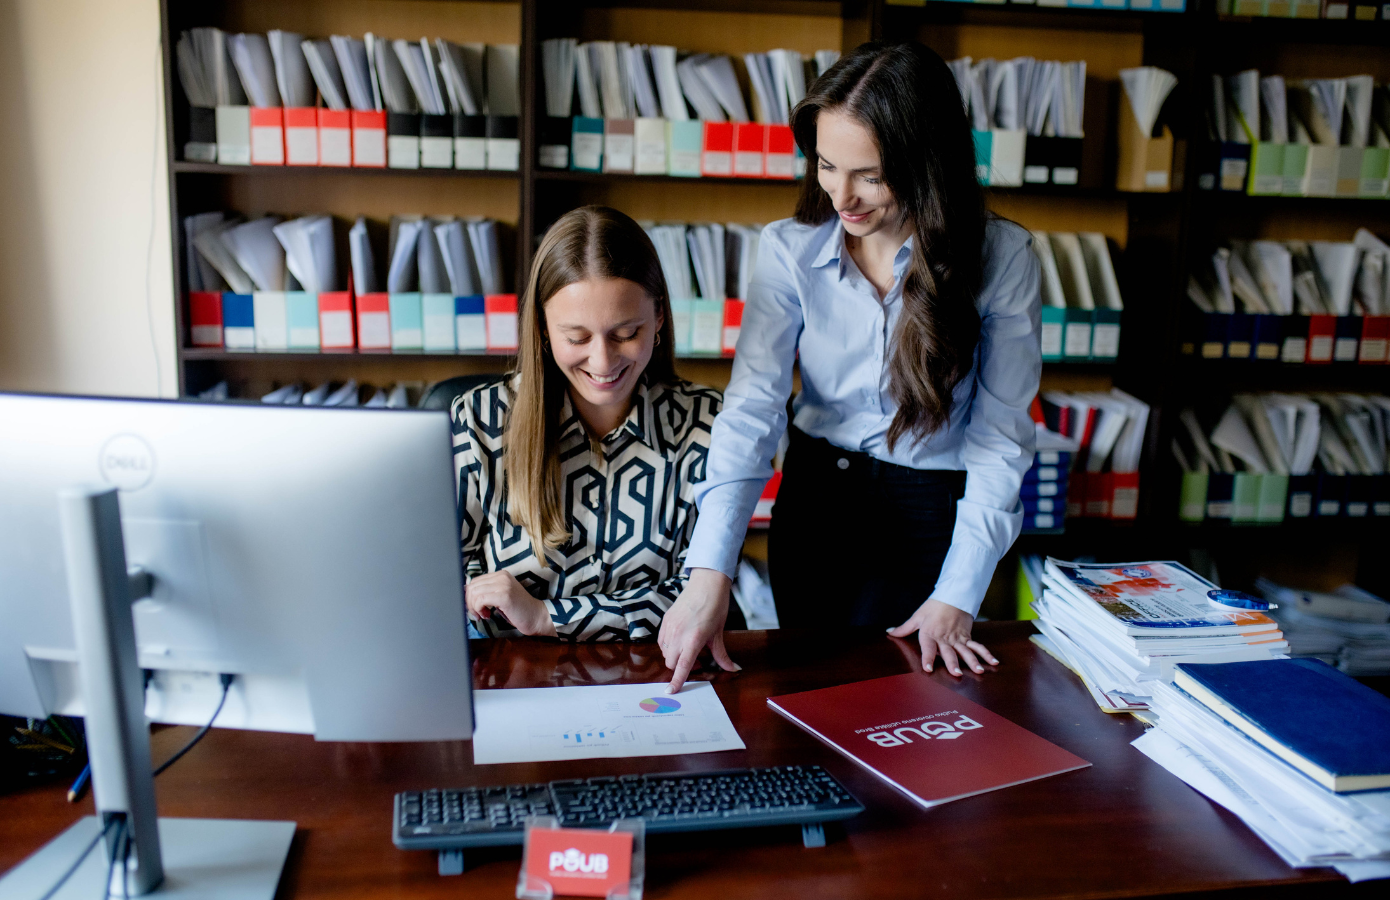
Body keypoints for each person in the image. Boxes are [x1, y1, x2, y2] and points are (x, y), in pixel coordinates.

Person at [659, 42, 1041, 689]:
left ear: (929, 165)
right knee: (805, 695)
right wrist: (709, 573)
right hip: (816, 504)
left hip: (931, 513)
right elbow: (752, 407)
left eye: (869, 174)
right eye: (826, 165)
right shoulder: (788, 250)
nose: (841, 196)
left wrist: (959, 593)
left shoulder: (1003, 255)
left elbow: (1000, 437)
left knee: (906, 710)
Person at [452, 206, 724, 642]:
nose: (602, 362)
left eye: (625, 333)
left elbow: (699, 597)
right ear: (542, 328)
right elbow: (441, 583)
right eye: (577, 338)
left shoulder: (706, 422)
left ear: (658, 319)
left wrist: (546, 617)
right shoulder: (479, 421)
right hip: (514, 684)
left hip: (653, 681)